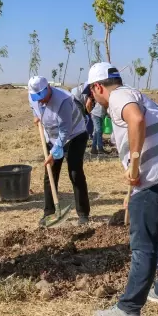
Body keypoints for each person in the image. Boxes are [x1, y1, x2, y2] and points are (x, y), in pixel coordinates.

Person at [84, 63, 158, 316]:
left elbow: (135, 120)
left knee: (144, 246)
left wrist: (135, 167)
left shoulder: (119, 96)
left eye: (93, 93)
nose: (94, 99)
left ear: (98, 87)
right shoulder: (139, 95)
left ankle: (128, 310)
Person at [28, 76, 91, 226]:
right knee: (50, 173)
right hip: (52, 137)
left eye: (42, 97)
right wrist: (36, 116)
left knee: (75, 172)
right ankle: (49, 212)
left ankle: (83, 214)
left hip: (75, 135)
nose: (40, 101)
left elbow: (65, 132)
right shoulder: (33, 96)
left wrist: (54, 154)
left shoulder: (63, 101)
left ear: (49, 88)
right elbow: (34, 108)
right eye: (37, 98)